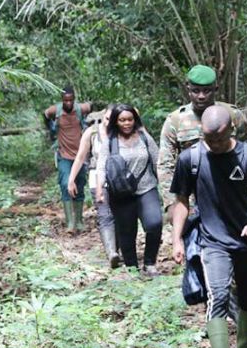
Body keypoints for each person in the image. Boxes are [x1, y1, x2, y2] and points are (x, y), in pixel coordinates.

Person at [171, 105, 247, 348]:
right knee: (218, 294)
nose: (211, 144)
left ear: (231, 132)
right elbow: (180, 200)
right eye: (206, 138)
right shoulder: (190, 158)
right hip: (211, 240)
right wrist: (176, 238)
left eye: (217, 139)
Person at [157, 65, 247, 217]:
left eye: (207, 91)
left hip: (229, 191)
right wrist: (171, 204)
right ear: (188, 88)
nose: (201, 96)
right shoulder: (175, 120)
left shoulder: (233, 115)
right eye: (195, 91)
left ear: (216, 88)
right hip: (191, 197)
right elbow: (165, 163)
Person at [96, 104, 162, 276]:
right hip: (121, 193)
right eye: (122, 120)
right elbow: (101, 167)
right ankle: (133, 268)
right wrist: (99, 190)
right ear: (116, 122)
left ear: (135, 120)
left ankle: (150, 262)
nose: (126, 123)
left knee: (154, 223)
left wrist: (167, 185)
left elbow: (157, 161)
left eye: (130, 119)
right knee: (127, 231)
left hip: (147, 187)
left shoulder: (144, 137)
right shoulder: (110, 142)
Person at [67, 105, 121, 268]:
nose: (108, 123)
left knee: (120, 214)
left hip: (119, 178)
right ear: (103, 116)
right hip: (96, 176)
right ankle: (111, 252)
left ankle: (119, 249)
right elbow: (80, 157)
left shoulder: (122, 131)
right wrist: (71, 179)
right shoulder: (91, 132)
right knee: (104, 214)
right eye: (107, 119)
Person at [43, 87, 92, 234]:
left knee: (80, 185)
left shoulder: (81, 109)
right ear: (62, 100)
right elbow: (45, 114)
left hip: (80, 155)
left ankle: (79, 221)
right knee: (65, 184)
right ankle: (70, 222)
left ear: (74, 99)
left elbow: (91, 106)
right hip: (64, 155)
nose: (69, 103)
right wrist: (51, 130)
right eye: (66, 100)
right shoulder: (55, 111)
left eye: (71, 100)